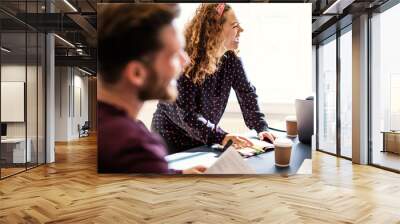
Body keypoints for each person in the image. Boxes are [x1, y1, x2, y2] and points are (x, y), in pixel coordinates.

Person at [151, 3, 276, 154]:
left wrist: (261, 127)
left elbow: (246, 93)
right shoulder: (186, 61)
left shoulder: (231, 59)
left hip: (203, 138)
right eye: (235, 25)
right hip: (170, 139)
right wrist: (222, 136)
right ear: (215, 29)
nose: (241, 30)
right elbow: (188, 115)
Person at [97, 3, 206, 174]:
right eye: (174, 55)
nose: (186, 61)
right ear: (137, 73)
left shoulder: (106, 125)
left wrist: (179, 174)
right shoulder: (135, 148)